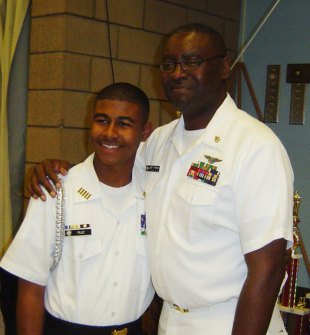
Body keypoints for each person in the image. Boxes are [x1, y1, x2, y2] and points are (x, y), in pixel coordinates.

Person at [26, 23, 294, 335]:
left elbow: (268, 269)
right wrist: (56, 171)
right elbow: (110, 165)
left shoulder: (254, 147)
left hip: (229, 321)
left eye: (192, 62)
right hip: (170, 322)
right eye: (169, 64)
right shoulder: (157, 144)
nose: (179, 72)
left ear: (223, 68)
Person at [0, 82, 155, 335]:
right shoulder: (55, 191)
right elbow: (30, 288)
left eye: (124, 124)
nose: (110, 133)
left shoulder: (154, 191)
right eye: (102, 120)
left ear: (145, 131)